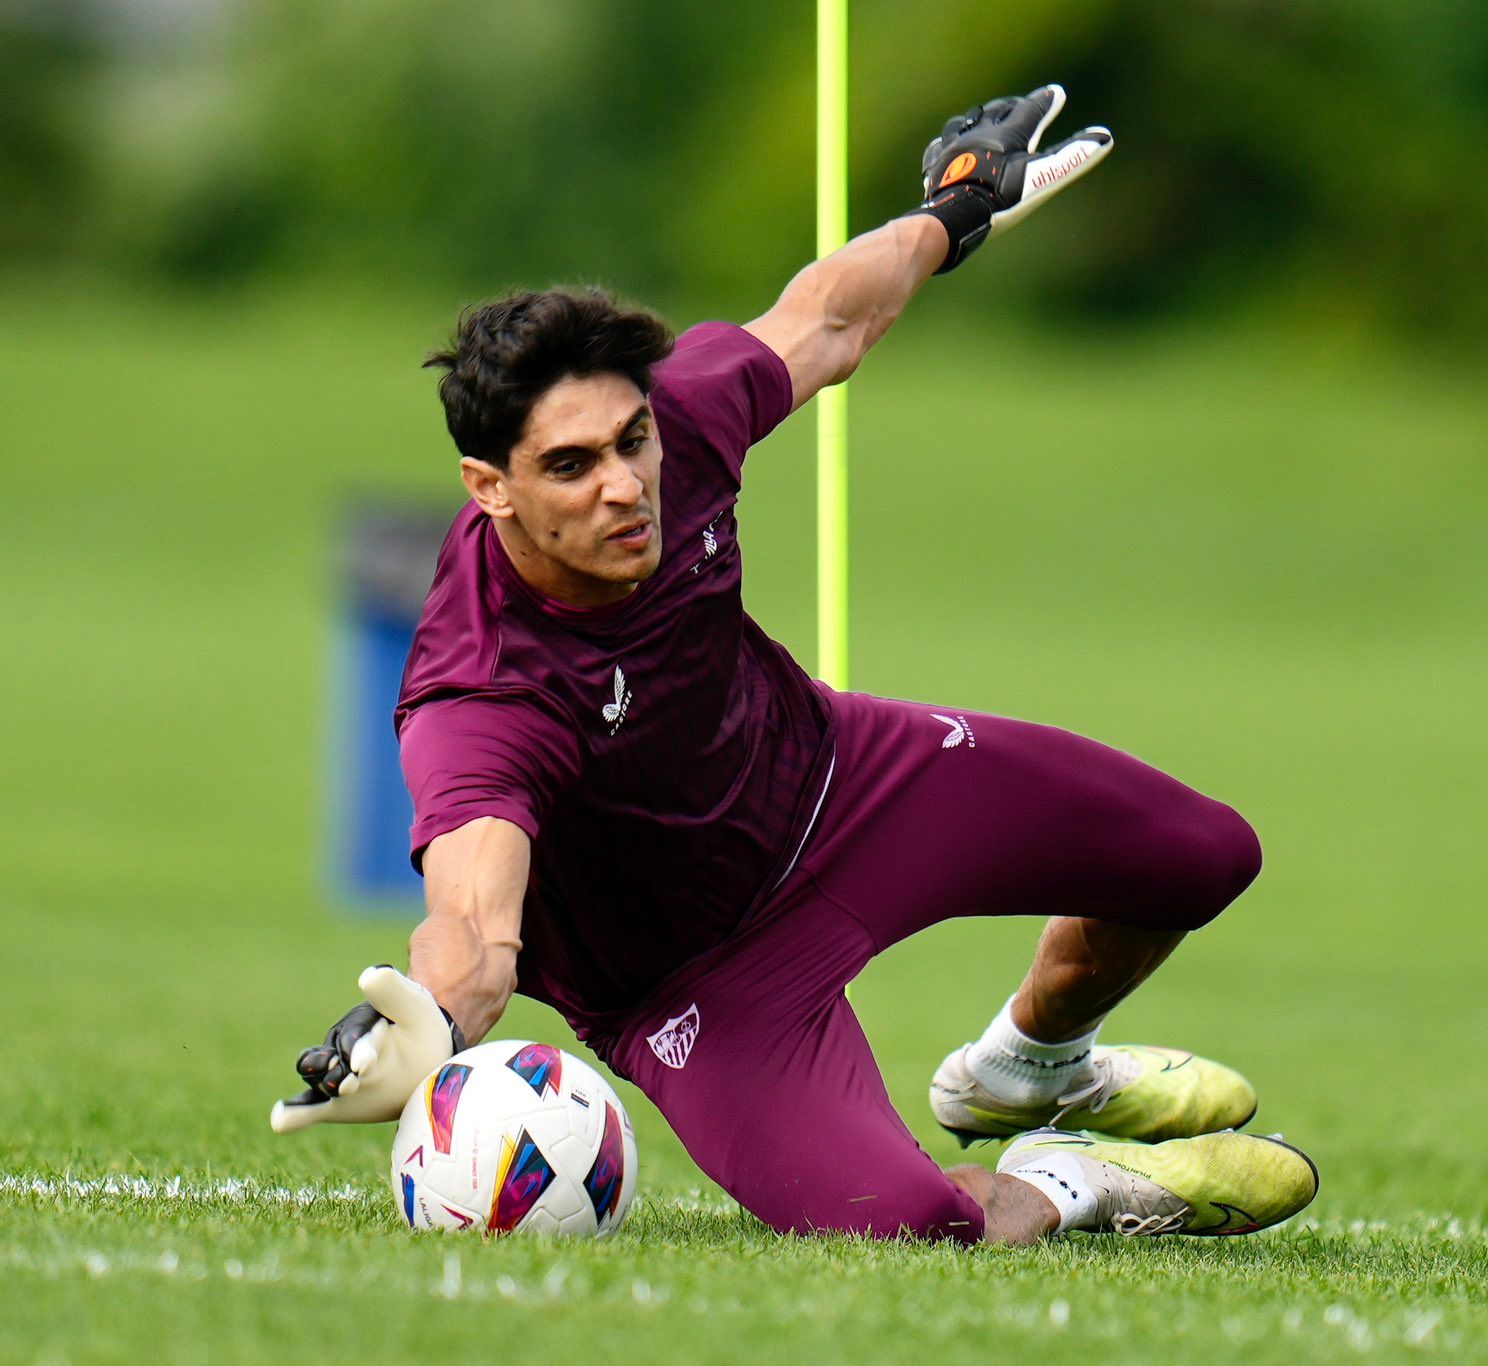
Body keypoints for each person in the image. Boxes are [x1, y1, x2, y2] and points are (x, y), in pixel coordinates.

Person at [270, 85, 1317, 1244]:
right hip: (699, 987)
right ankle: (1074, 1179)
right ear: (489, 486)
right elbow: (475, 928)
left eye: (630, 441)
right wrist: (427, 1022)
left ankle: (1028, 1066)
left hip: (846, 785)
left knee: (1203, 855)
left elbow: (826, 318)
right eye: (570, 465)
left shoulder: (679, 425)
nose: (622, 485)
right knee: (910, 1223)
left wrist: (952, 211)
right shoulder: (479, 693)